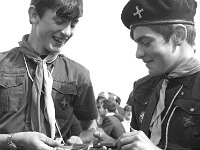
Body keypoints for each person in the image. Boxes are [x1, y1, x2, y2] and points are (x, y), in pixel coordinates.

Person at [0, 0, 112, 149]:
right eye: (60, 22)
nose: (67, 32)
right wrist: (13, 140)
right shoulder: (2, 64)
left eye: (73, 24)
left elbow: (90, 129)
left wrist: (80, 141)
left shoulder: (78, 75)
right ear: (34, 15)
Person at [116, 0, 200, 149]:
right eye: (137, 44)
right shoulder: (142, 88)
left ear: (178, 35)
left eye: (146, 42)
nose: (138, 53)